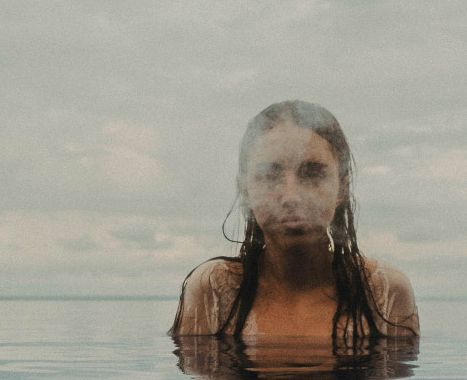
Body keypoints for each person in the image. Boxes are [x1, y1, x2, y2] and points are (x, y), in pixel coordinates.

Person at [170, 100, 419, 345]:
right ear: (245, 190)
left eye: (312, 173)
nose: (291, 197)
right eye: (271, 174)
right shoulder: (215, 289)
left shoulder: (382, 290)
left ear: (342, 188)